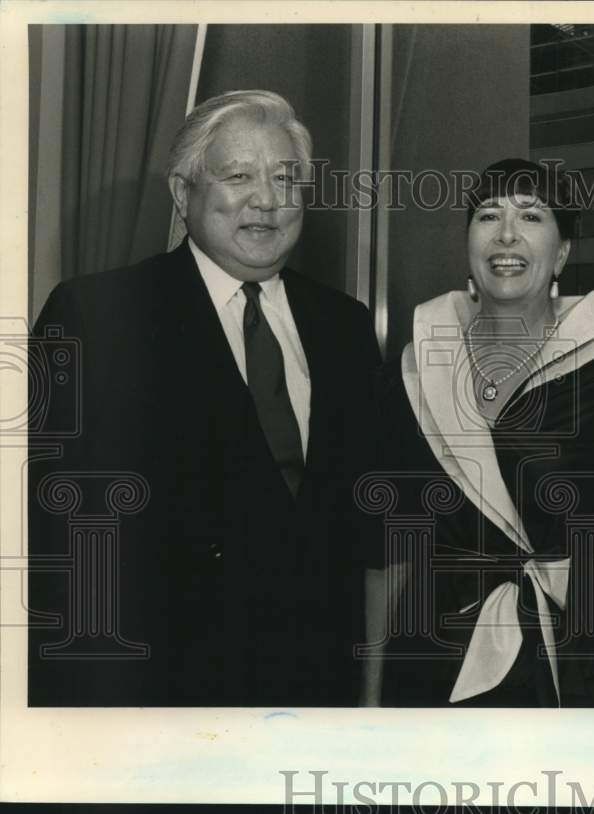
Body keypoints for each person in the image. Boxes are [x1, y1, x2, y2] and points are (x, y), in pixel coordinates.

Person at [28, 90, 381, 706]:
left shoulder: (344, 327)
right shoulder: (98, 314)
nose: (266, 201)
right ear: (181, 192)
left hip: (314, 695)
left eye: (285, 178)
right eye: (238, 175)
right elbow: (52, 534)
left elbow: (370, 527)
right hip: (158, 697)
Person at [360, 158, 594, 707]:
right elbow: (388, 557)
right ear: (467, 244)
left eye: (531, 216)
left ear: (564, 252)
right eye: (487, 216)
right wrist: (370, 701)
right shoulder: (407, 377)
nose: (506, 234)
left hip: (576, 668)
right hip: (434, 665)